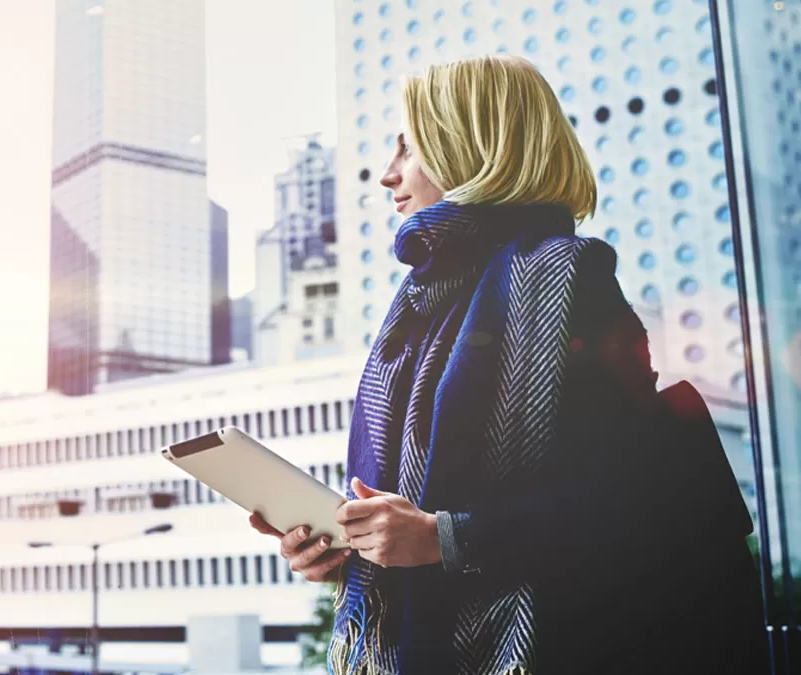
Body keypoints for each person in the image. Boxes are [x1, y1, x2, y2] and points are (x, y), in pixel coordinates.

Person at [251, 55, 767, 675]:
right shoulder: (421, 304)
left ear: (474, 147)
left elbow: (634, 497)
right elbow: (422, 507)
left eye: (409, 149)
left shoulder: (565, 278)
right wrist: (349, 549)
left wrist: (444, 538)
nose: (388, 175)